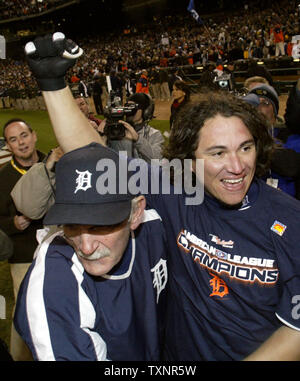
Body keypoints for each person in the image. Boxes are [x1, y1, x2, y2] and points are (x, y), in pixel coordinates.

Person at [23, 33, 300, 361]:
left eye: (246, 147)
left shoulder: (291, 219)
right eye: (218, 152)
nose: (237, 166)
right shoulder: (178, 193)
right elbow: (95, 158)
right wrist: (53, 84)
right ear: (190, 161)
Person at [14, 143, 168, 361]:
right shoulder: (54, 279)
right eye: (71, 226)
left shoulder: (157, 226)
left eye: (101, 225)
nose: (86, 247)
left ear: (135, 214)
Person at [0, 118, 45, 361]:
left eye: (24, 135)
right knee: (25, 312)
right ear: (8, 146)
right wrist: (12, 224)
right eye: (14, 139)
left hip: (59, 250)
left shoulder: (54, 164)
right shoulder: (4, 177)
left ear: (34, 135)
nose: (21, 142)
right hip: (23, 255)